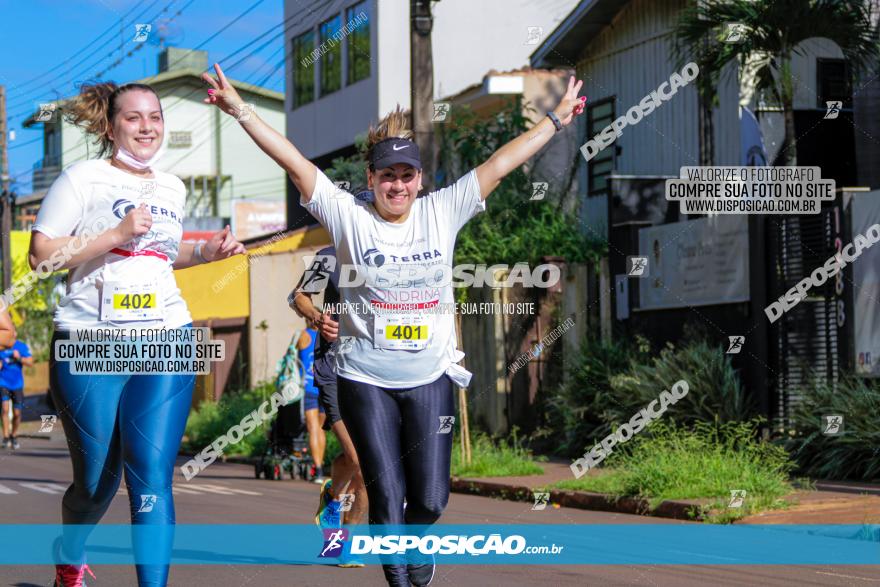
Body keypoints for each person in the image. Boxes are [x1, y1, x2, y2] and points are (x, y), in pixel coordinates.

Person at [203, 62, 585, 586]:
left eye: (407, 175)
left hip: (429, 376)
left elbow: (500, 163)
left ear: (420, 179)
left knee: (428, 499)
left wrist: (556, 121)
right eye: (388, 175)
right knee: (383, 492)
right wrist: (240, 109)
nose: (397, 185)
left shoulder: (442, 211)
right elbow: (292, 161)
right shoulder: (346, 216)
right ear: (371, 180)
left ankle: (418, 543)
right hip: (365, 380)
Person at [28, 81, 245, 587]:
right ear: (110, 126)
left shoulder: (172, 187)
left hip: (165, 336)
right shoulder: (83, 178)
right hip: (90, 343)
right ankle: (70, 551)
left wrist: (206, 252)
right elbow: (41, 258)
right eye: (134, 118)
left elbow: (163, 255)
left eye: (155, 118)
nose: (147, 127)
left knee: (150, 476)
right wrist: (115, 234)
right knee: (96, 483)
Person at [290, 244, 368, 568]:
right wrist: (318, 317)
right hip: (334, 367)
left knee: (367, 468)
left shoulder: (396, 252)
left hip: (374, 370)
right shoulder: (331, 254)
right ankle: (334, 500)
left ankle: (341, 541)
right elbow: (298, 296)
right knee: (359, 458)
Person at [298, 326, 327, 483]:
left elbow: (291, 358)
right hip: (324, 387)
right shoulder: (328, 335)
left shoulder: (303, 336)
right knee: (321, 429)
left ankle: (318, 470)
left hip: (308, 386)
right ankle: (320, 465)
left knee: (313, 428)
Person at [0, 336, 34, 449]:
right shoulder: (1, 345)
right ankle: (5, 437)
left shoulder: (21, 346)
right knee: (4, 409)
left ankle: (13, 436)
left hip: (17, 385)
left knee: (17, 413)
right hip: (3, 382)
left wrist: (19, 358)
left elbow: (30, 362)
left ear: (14, 333)